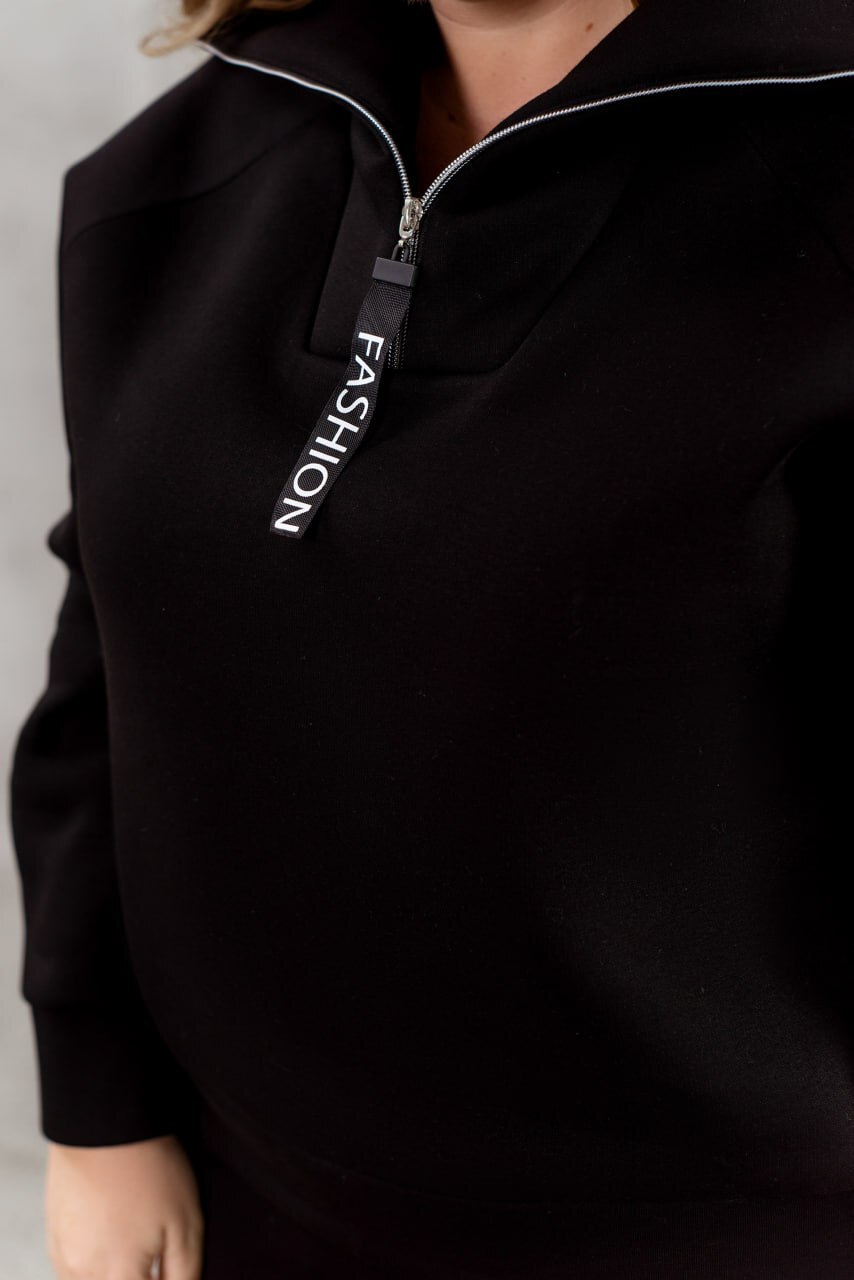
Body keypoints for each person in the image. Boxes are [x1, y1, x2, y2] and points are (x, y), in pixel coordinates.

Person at [8, 0, 854, 1274]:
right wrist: (98, 1110)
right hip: (246, 1199)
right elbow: (107, 659)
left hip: (726, 1229)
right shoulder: (177, 174)